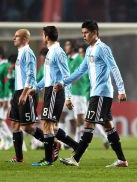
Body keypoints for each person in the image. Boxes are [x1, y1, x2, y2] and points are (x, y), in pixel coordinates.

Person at [59, 19, 128, 167]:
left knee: (89, 123)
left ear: (94, 33)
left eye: (86, 33)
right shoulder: (89, 50)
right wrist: (64, 82)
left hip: (102, 93)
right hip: (96, 93)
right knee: (108, 126)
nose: (83, 36)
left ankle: (76, 158)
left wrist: (121, 89)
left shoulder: (103, 48)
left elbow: (114, 68)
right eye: (82, 33)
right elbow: (80, 70)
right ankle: (122, 159)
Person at [29, 26, 79, 166]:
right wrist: (37, 88)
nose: (42, 37)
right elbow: (47, 76)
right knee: (52, 127)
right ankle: (76, 145)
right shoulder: (51, 52)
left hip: (55, 92)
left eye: (43, 34)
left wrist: (68, 97)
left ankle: (48, 159)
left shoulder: (58, 52)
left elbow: (67, 75)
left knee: (46, 124)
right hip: (49, 91)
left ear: (46, 36)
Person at [8, 29, 47, 162]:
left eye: (17, 36)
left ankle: (52, 144)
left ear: (24, 39)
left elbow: (31, 75)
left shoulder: (28, 53)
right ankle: (19, 158)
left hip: (27, 92)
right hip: (18, 92)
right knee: (14, 124)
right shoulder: (20, 53)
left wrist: (24, 94)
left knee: (27, 127)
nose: (14, 38)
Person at [61, 41, 109, 149]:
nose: (83, 54)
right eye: (82, 52)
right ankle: (66, 142)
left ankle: (78, 143)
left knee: (85, 120)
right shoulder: (70, 60)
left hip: (82, 94)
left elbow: (83, 78)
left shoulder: (82, 61)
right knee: (65, 116)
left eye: (84, 52)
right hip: (70, 94)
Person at [0, 47, 13, 150]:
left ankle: (9, 137)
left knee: (1, 119)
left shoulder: (6, 66)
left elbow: (7, 83)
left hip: (5, 96)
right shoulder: (1, 65)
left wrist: (5, 99)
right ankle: (4, 138)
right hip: (1, 95)